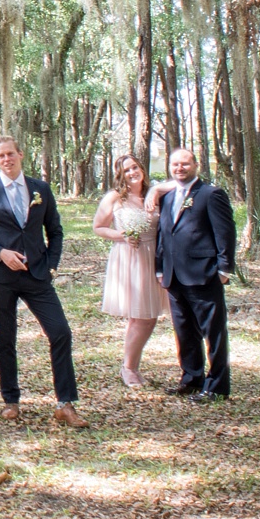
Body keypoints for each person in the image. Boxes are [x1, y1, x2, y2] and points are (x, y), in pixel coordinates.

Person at [0, 135, 89, 428]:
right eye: (1, 156)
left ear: (21, 155)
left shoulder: (40, 189)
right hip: (1, 277)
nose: (6, 160)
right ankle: (11, 400)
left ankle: (65, 404)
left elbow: (56, 231)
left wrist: (51, 266)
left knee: (60, 332)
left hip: (37, 275)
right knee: (6, 338)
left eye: (11, 154)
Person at [154, 148, 237, 403]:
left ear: (196, 165)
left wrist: (224, 269)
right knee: (184, 331)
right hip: (174, 277)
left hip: (204, 274)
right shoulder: (168, 198)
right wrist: (159, 266)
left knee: (213, 332)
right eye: (175, 164)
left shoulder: (211, 195)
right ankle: (191, 379)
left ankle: (217, 386)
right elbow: (165, 233)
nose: (180, 168)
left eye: (185, 164)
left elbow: (225, 232)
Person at [91, 155, 169, 388]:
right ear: (120, 175)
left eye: (135, 167)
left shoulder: (155, 193)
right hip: (130, 257)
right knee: (140, 316)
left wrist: (155, 192)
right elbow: (98, 227)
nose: (132, 172)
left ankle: (131, 363)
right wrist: (122, 236)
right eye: (126, 170)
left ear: (142, 168)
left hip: (153, 256)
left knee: (150, 316)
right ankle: (129, 368)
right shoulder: (115, 197)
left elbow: (180, 183)